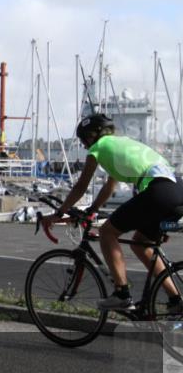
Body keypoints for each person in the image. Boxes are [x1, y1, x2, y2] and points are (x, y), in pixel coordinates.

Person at [42, 113, 182, 311]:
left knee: (107, 233)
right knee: (141, 243)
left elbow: (81, 186)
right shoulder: (120, 144)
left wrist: (58, 213)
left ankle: (122, 293)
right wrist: (93, 209)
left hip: (158, 193)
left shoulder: (98, 148)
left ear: (92, 135)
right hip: (176, 191)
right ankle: (176, 300)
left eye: (83, 140)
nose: (83, 145)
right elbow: (110, 186)